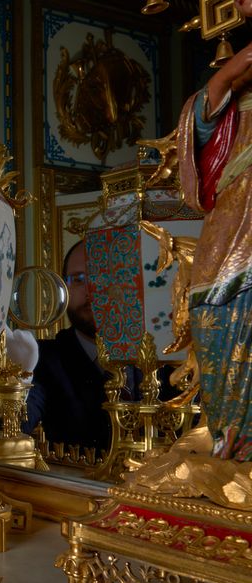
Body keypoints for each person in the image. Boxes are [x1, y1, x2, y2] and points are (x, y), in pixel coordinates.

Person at [175, 3, 252, 461]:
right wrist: (227, 78)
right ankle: (232, 441)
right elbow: (201, 129)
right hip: (234, 205)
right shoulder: (240, 68)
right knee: (211, 305)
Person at [19, 240, 126, 450]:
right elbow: (15, 424)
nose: (91, 290)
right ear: (64, 288)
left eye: (102, 277)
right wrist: (15, 381)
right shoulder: (43, 358)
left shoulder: (160, 356)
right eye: (78, 279)